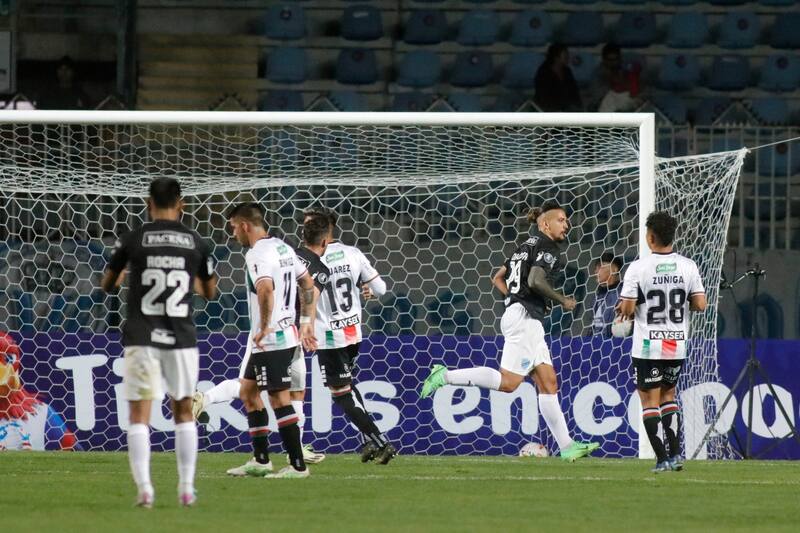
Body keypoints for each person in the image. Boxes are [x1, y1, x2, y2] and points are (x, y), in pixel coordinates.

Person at [421, 200, 599, 462]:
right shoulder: (548, 247)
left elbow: (497, 277)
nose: (567, 225)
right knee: (509, 383)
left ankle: (567, 446)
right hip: (524, 319)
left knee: (548, 382)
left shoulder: (524, 247)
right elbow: (535, 280)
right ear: (545, 224)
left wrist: (513, 299)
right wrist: (562, 300)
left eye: (567, 220)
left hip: (524, 317)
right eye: (561, 220)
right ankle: (445, 375)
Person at [101, 177, 217, 508]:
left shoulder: (134, 239)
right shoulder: (196, 242)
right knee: (183, 411)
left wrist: (127, 274)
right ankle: (186, 488)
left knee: (139, 415)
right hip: (181, 337)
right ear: (181, 204)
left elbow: (107, 284)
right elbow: (210, 292)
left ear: (148, 203)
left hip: (142, 336)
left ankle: (145, 489)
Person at [223, 203, 318, 479]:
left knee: (279, 399)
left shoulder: (257, 253)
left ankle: (298, 466)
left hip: (272, 339)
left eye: (233, 228)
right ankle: (261, 460)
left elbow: (265, 289)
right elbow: (307, 282)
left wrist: (264, 326)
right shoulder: (282, 247)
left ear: (244, 226)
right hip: (283, 335)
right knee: (249, 393)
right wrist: (306, 321)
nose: (233, 234)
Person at [303, 207, 397, 464]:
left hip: (329, 337)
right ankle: (368, 441)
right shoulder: (353, 253)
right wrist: (365, 289)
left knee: (341, 393)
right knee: (348, 388)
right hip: (354, 334)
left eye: (308, 225)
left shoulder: (309, 260)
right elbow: (381, 288)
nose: (305, 230)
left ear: (322, 230)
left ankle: (381, 441)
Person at [617, 211, 706, 473]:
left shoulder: (638, 268)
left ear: (650, 237)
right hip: (676, 343)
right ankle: (676, 455)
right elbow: (700, 304)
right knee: (669, 395)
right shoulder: (688, 266)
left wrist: (626, 306)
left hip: (648, 345)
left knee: (649, 401)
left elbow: (628, 309)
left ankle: (661, 458)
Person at [588, 43, 642, 112]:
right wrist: (610, 80)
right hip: (605, 107)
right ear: (604, 59)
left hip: (627, 104)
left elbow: (636, 89)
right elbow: (597, 98)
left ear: (620, 59)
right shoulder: (598, 74)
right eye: (610, 60)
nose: (613, 62)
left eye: (616, 59)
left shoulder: (626, 69)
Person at [534, 44, 582, 112]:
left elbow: (574, 91)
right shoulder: (543, 73)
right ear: (556, 57)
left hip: (566, 108)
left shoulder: (567, 71)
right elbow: (544, 97)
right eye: (565, 55)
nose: (568, 57)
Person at [590, 252, 623, 337]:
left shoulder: (623, 294)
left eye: (601, 266)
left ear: (614, 269)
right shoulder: (597, 296)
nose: (596, 271)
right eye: (596, 268)